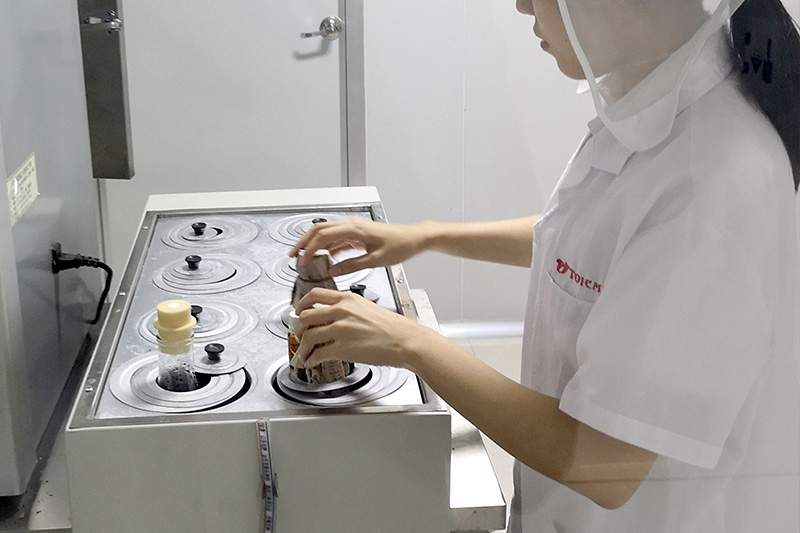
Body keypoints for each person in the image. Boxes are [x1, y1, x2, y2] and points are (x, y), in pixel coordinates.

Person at [289, 0, 800, 531]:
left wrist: (411, 344)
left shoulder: (711, 180)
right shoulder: (657, 97)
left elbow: (606, 464)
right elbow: (586, 243)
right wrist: (425, 237)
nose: (521, 5)